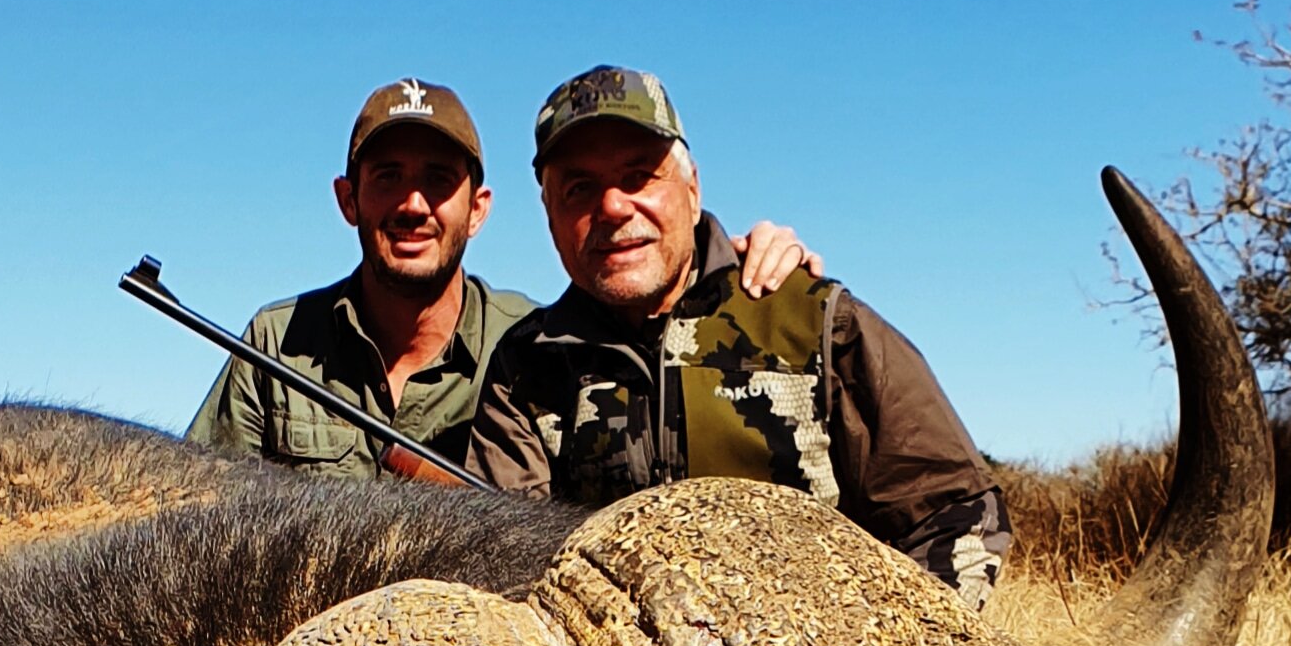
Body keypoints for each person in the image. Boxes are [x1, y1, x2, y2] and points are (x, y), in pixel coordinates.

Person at [465, 66, 1009, 608]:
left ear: (692, 189)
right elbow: (498, 567)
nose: (612, 207)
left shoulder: (818, 322)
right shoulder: (525, 367)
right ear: (550, 214)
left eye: (638, 176)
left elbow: (956, 512)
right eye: (579, 188)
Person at [186, 78, 819, 480]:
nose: (413, 204)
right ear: (348, 200)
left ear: (479, 208)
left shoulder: (535, 348)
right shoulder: (274, 340)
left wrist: (746, 269)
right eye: (387, 178)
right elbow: (195, 508)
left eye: (439, 179)